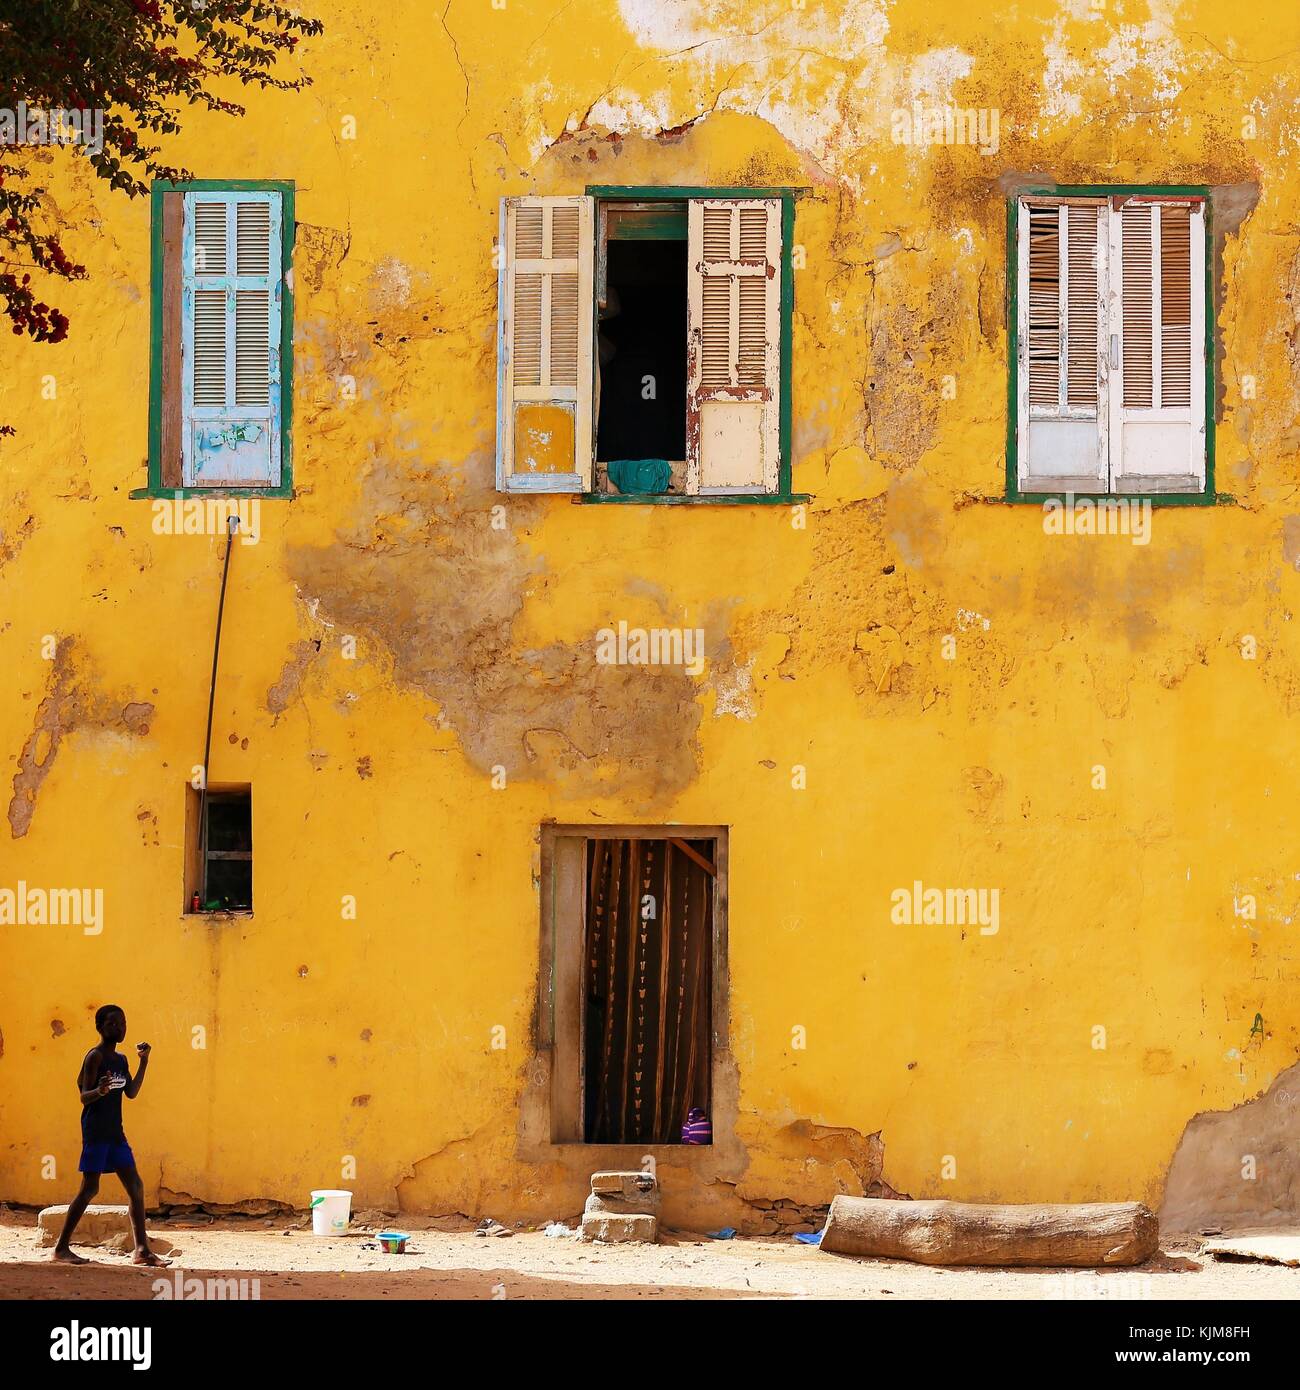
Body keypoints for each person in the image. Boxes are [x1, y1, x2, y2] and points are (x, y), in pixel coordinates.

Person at [52, 1004, 168, 1266]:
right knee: (90, 1188)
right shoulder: (95, 1057)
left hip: (116, 1133)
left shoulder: (121, 1060)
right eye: (113, 1024)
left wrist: (144, 1062)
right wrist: (99, 1092)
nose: (120, 1028)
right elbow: (83, 1097)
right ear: (100, 1028)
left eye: (123, 1023)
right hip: (95, 1133)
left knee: (135, 1187)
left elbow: (132, 1092)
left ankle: (142, 1250)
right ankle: (61, 1248)